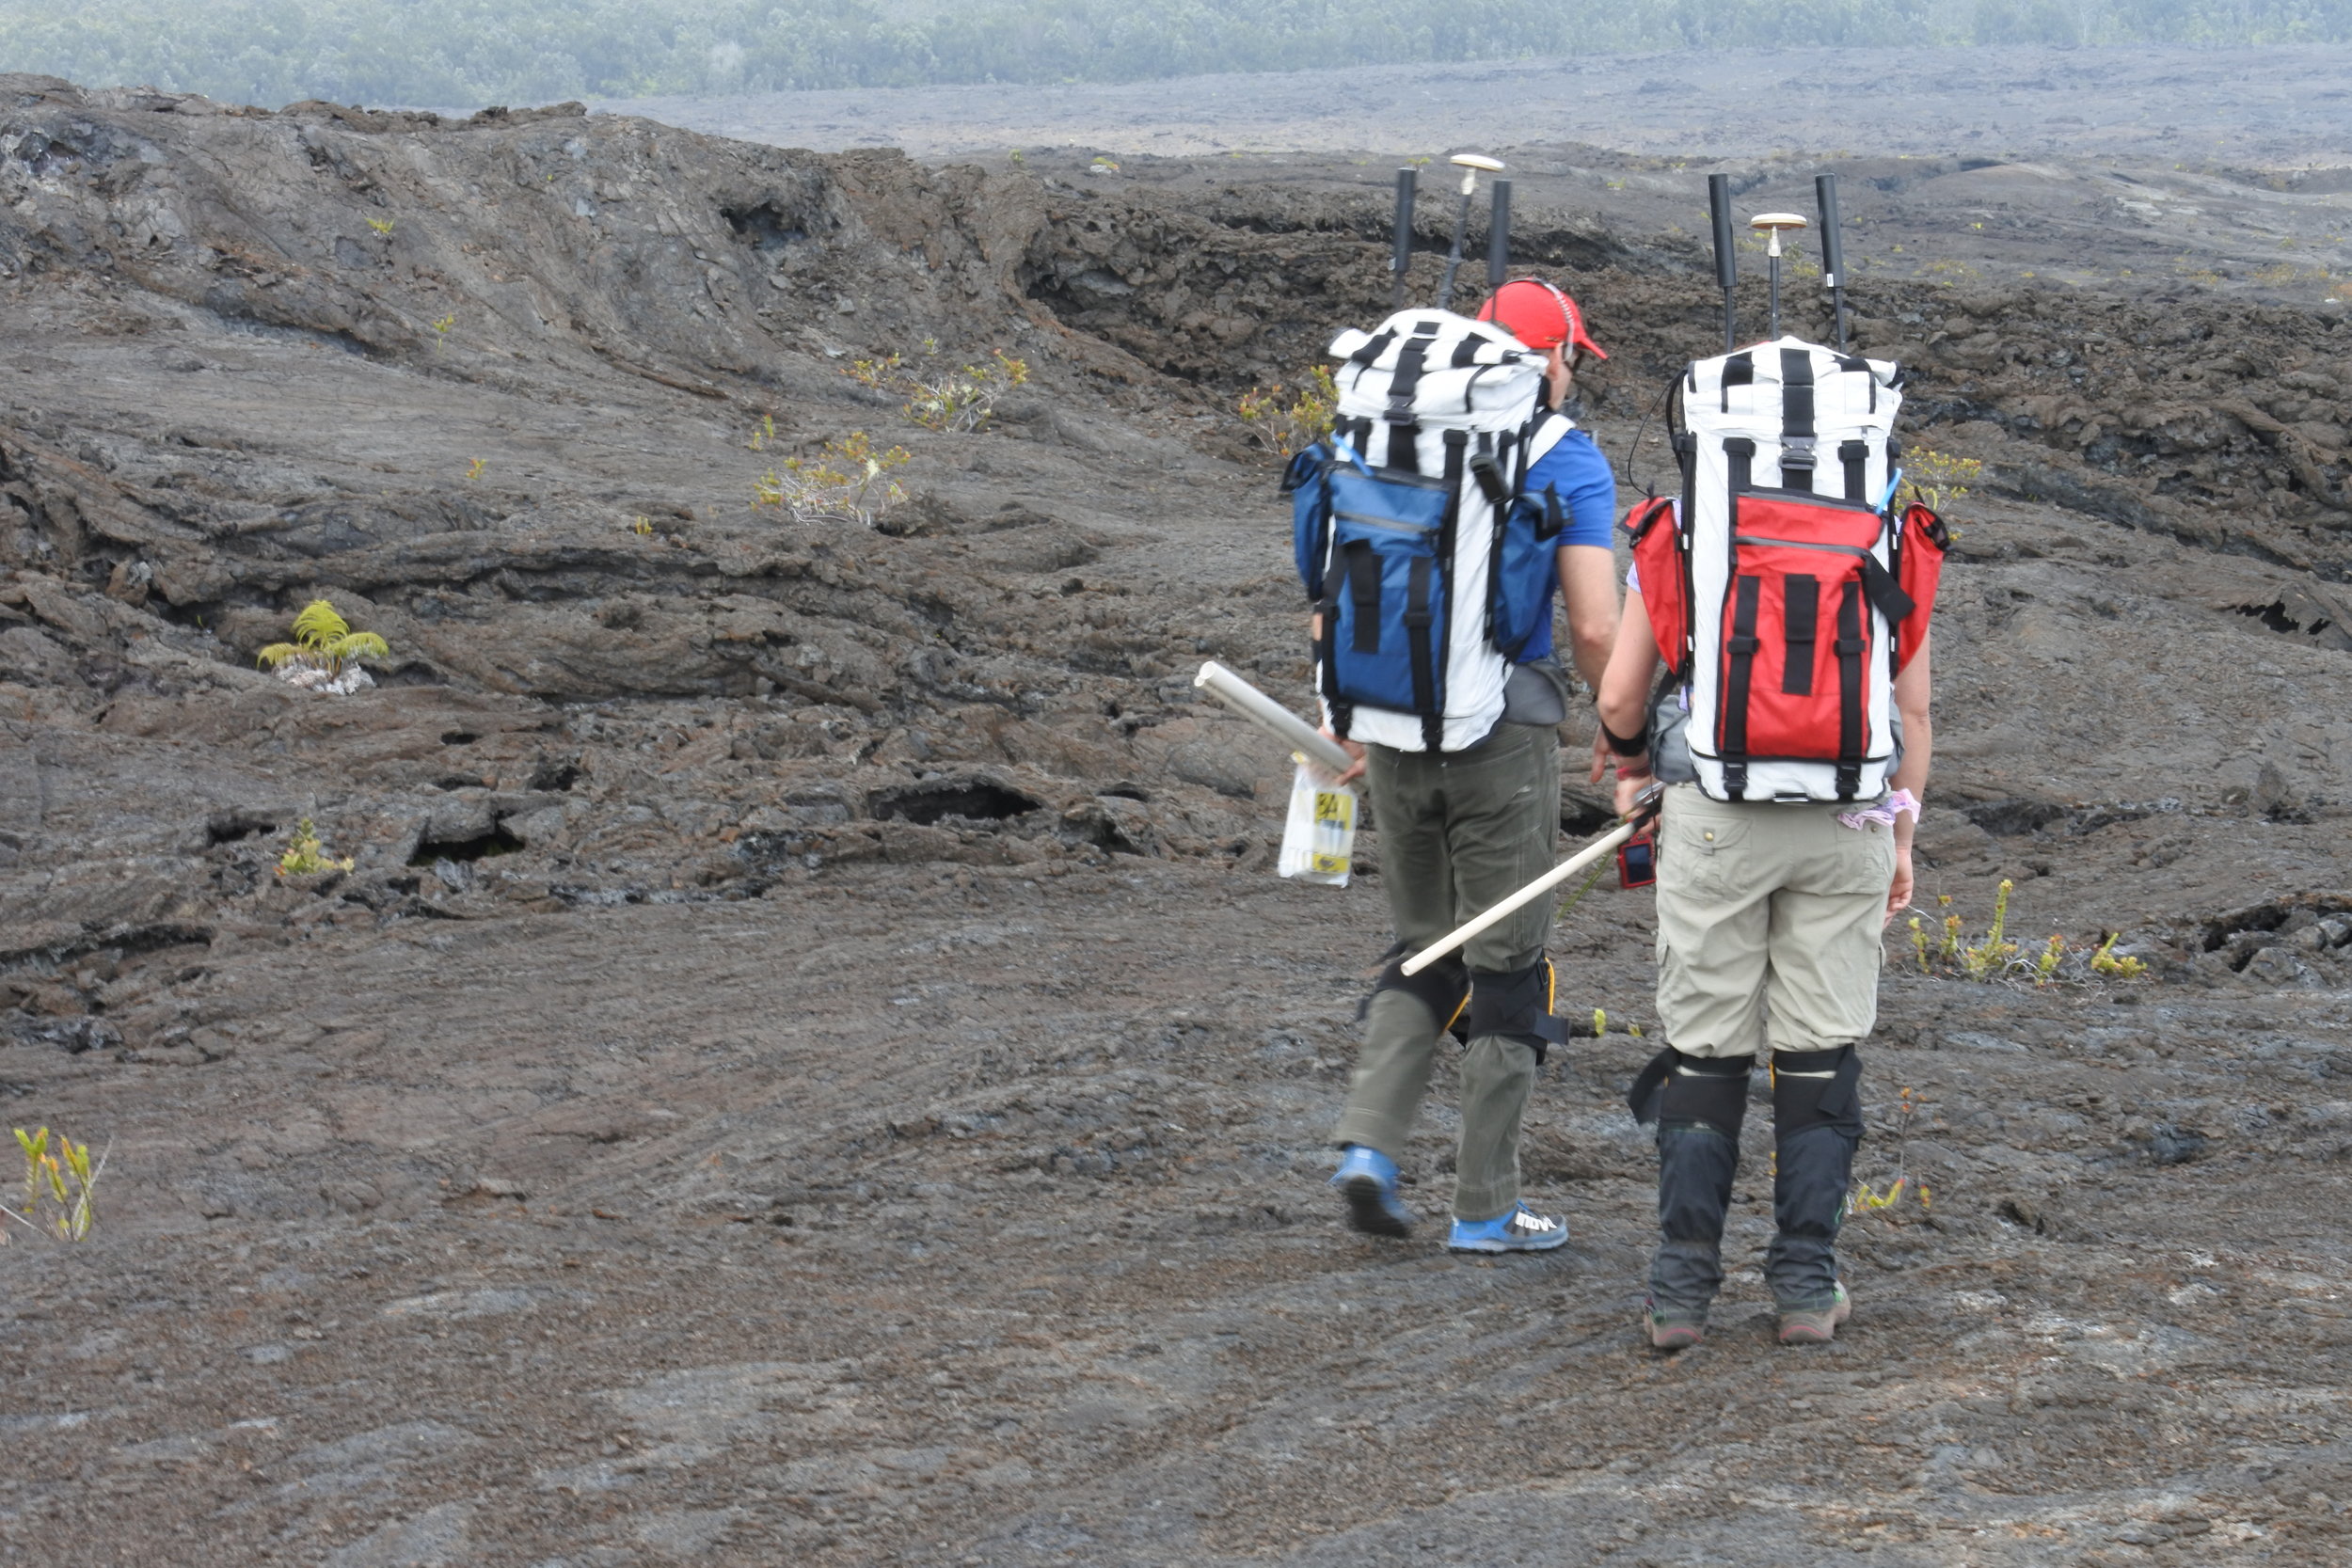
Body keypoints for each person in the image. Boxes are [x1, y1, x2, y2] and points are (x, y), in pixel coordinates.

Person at [1324, 279, 1621, 1252]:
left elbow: (1335, 589)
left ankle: (1368, 1148)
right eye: (1572, 355)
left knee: (1422, 946)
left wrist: (1353, 717)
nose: (1573, 372)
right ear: (1548, 360)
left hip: (1392, 722)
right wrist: (1619, 727)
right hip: (1503, 736)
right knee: (1508, 968)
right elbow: (1590, 622)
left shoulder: (1382, 433)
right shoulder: (1567, 459)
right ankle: (1485, 1206)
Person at [1596, 559, 1933, 1345]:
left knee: (1706, 1046)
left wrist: (1634, 770)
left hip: (1714, 813)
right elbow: (1911, 715)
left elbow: (1618, 695)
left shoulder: (1684, 522)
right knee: (1818, 1051)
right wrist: (1902, 842)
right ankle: (1807, 1285)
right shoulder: (1885, 525)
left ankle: (1680, 1291)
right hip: (1848, 818)